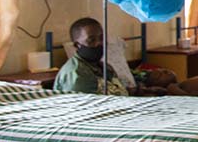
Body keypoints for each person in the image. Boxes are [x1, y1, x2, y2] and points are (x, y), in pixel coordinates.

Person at [54, 18, 188, 96]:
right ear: (77, 45)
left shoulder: (103, 66)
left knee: (178, 90)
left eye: (101, 38)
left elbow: (118, 90)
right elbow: (89, 109)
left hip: (124, 110)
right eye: (91, 40)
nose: (99, 43)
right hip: (107, 123)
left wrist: (144, 90)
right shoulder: (76, 75)